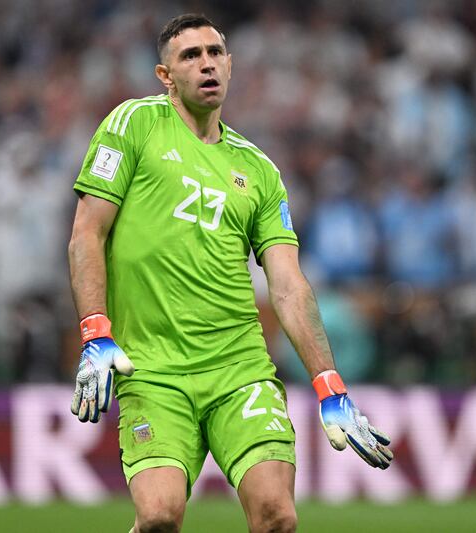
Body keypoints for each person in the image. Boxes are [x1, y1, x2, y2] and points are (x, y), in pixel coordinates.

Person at [68, 14, 393, 533]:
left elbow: (288, 285)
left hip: (239, 369)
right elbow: (88, 233)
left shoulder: (259, 170)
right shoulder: (133, 124)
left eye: (215, 53)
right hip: (152, 368)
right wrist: (95, 330)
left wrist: (329, 385)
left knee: (277, 517)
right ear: (164, 75)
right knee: (158, 517)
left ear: (231, 64)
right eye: (190, 56)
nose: (206, 64)